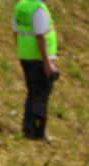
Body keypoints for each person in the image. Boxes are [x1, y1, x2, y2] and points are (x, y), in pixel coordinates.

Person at [13, 0, 59, 141]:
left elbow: (15, 32)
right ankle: (37, 132)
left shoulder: (20, 6)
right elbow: (40, 36)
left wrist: (21, 51)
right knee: (42, 95)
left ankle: (28, 127)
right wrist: (47, 63)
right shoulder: (39, 9)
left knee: (32, 92)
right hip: (39, 57)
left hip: (25, 55)